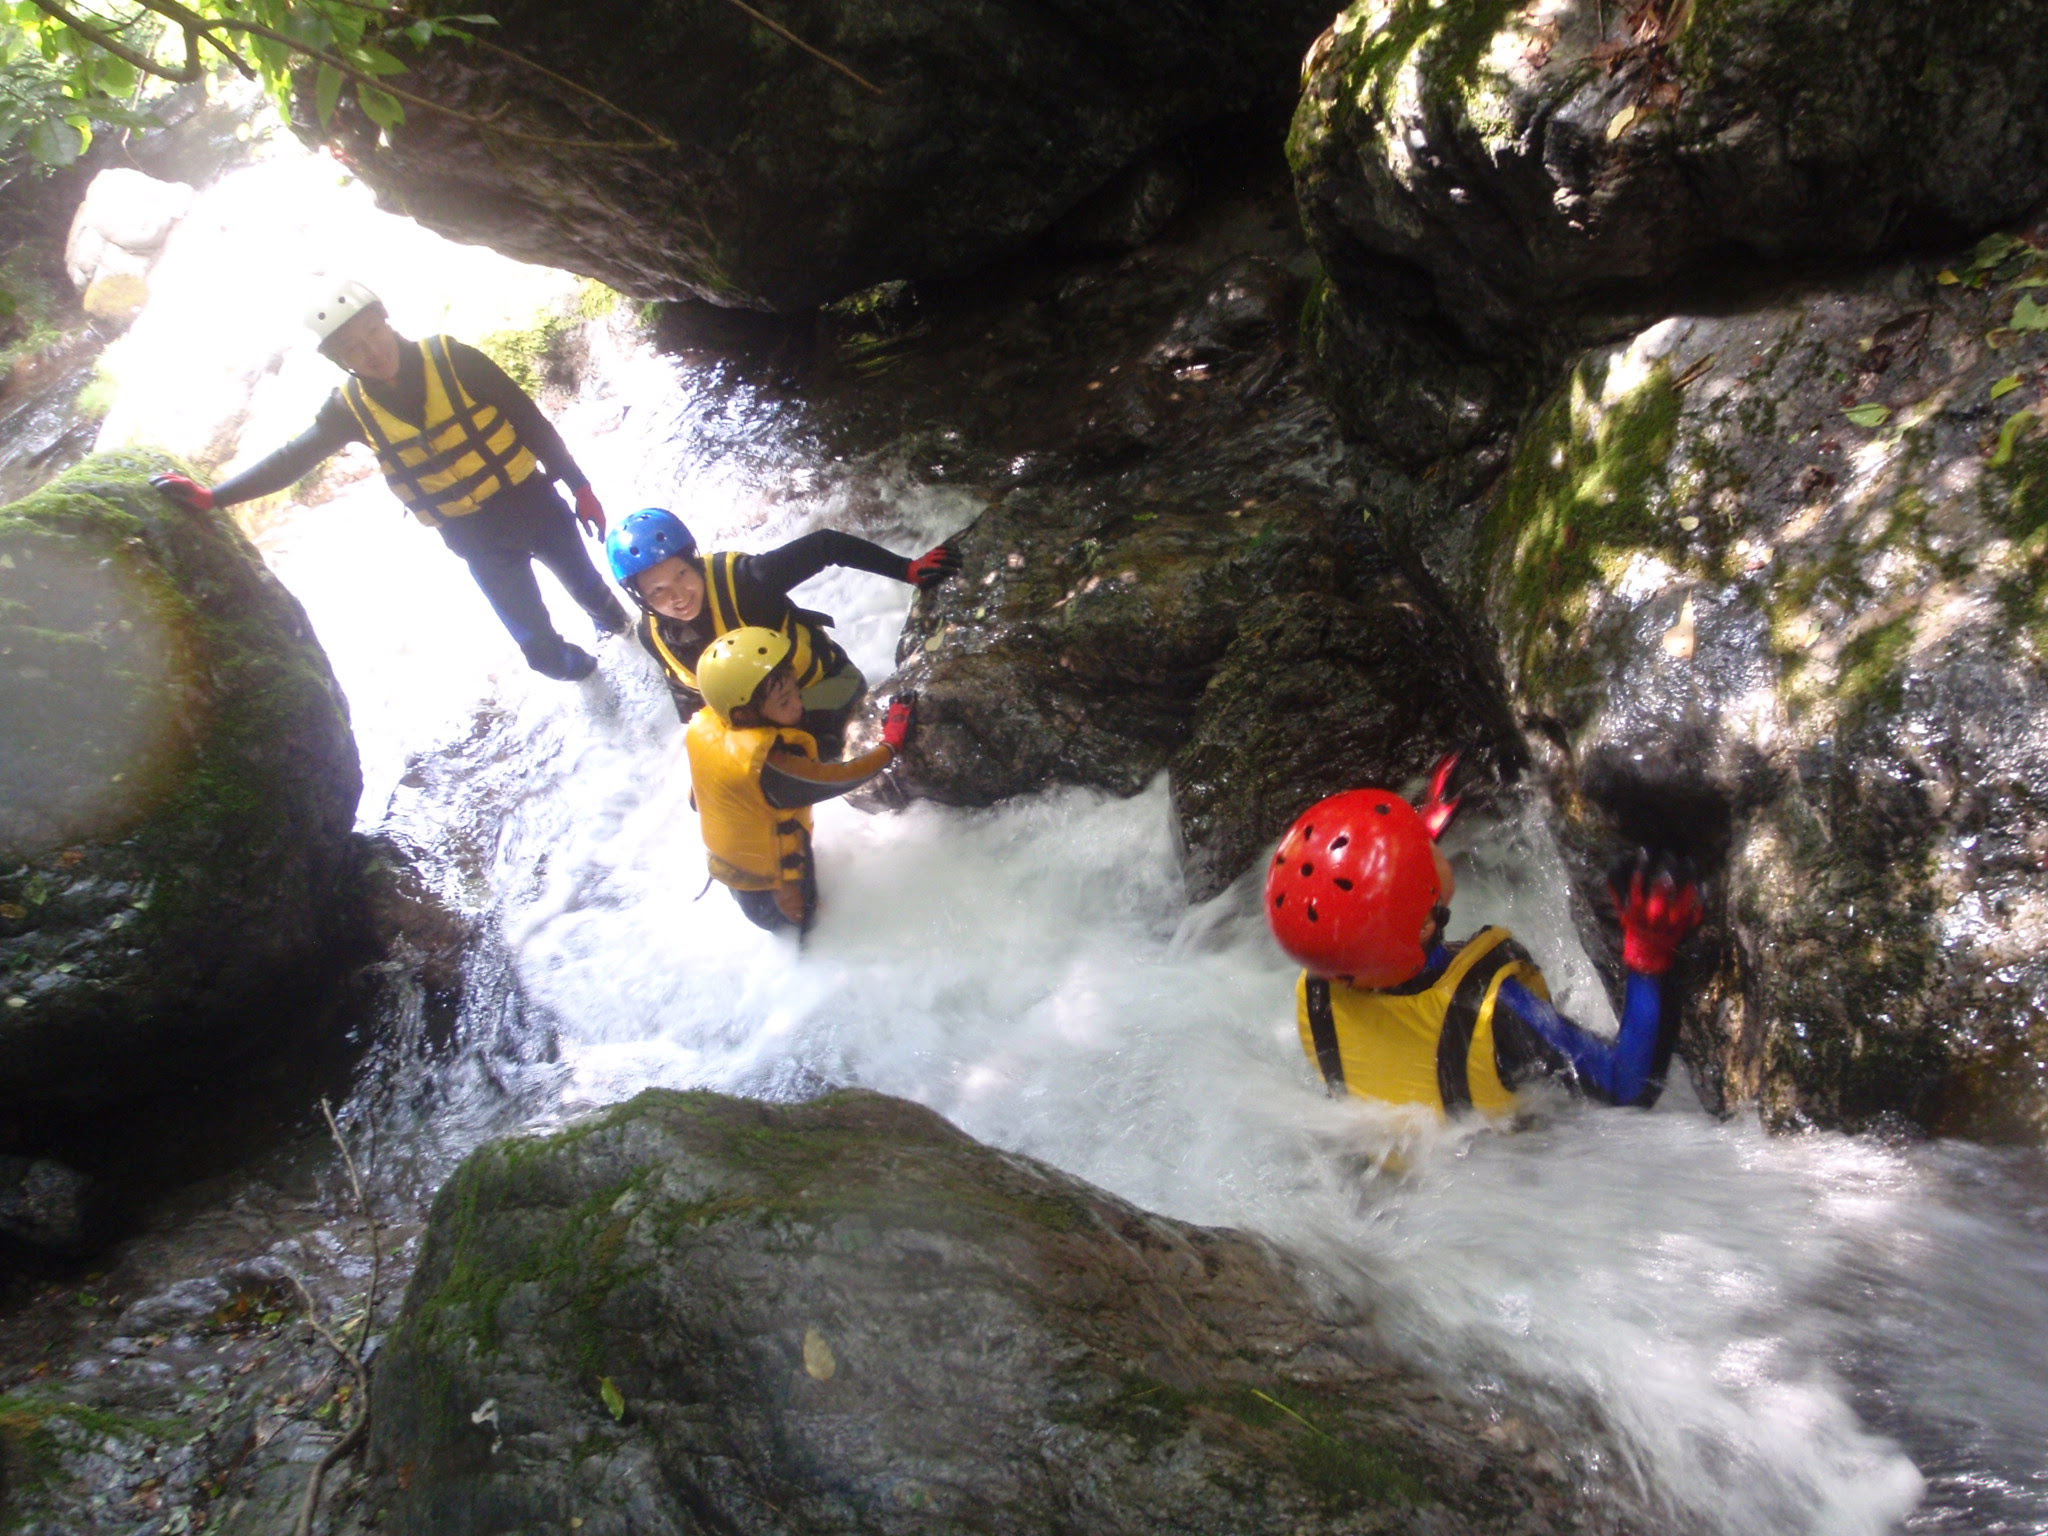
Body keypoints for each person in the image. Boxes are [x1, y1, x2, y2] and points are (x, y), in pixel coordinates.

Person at [151, 279, 629, 682]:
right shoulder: (349, 409)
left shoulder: (453, 359)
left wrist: (580, 486)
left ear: (386, 320)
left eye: (372, 333)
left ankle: (628, 646)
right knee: (540, 653)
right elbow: (291, 460)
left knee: (594, 596)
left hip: (535, 505)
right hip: (474, 538)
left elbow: (529, 421)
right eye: (353, 349)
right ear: (341, 361)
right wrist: (213, 498)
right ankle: (594, 678)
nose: (371, 352)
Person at [1265, 765, 1703, 1117]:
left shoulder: (1320, 986)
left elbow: (1363, 920)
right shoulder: (1492, 1011)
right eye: (1422, 853)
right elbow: (1625, 1088)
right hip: (1499, 1174)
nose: (1427, 844)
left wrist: (1403, 841)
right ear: (1423, 925)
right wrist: (1649, 954)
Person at [604, 507, 957, 758]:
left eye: (682, 575)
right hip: (763, 721)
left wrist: (907, 568)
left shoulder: (746, 581)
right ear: (642, 598)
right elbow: (690, 702)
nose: (678, 597)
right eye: (658, 591)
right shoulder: (654, 636)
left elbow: (826, 545)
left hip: (827, 690)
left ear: (693, 562)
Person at [687, 624, 915, 935]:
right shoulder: (767, 768)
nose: (799, 703)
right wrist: (890, 744)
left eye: (796, 689)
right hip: (773, 885)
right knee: (805, 924)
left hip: (732, 868)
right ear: (744, 714)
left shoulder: (711, 726)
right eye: (784, 701)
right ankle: (813, 935)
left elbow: (695, 799)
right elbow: (842, 777)